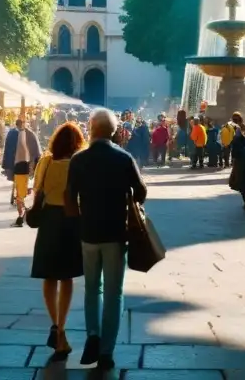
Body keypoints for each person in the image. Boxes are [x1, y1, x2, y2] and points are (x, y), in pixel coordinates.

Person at [65, 109, 147, 372]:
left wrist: (78, 219)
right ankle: (107, 351)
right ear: (113, 131)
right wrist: (129, 203)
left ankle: (92, 334)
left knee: (91, 288)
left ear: (91, 128)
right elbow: (141, 191)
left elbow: (69, 196)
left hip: (88, 233)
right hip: (115, 234)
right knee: (114, 292)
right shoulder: (123, 158)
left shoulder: (79, 160)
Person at [30, 122, 86, 361]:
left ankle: (54, 323)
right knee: (67, 277)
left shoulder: (46, 161)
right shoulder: (79, 163)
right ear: (76, 143)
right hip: (71, 220)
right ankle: (62, 328)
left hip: (49, 221)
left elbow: (37, 190)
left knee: (49, 275)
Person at [3, 119, 41, 227]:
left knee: (20, 195)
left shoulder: (13, 134)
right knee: (23, 193)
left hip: (20, 167)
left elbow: (8, 153)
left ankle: (20, 218)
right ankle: (22, 215)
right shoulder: (30, 134)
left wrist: (8, 169)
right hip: (28, 167)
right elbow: (37, 153)